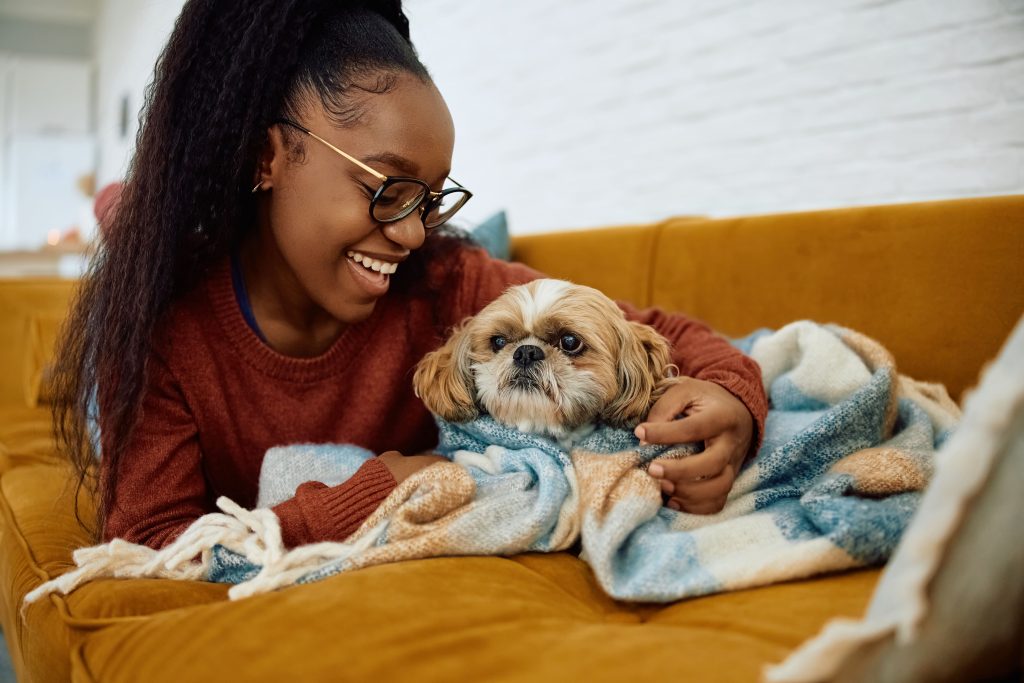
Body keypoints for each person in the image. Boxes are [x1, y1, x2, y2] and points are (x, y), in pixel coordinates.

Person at [52, 0, 767, 551]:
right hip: (157, 302)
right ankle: (122, 213)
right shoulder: (166, 330)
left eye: (429, 199)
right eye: (388, 188)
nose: (413, 232)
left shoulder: (443, 281)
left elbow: (663, 333)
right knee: (115, 296)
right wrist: (376, 490)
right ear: (266, 157)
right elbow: (150, 546)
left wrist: (730, 395)